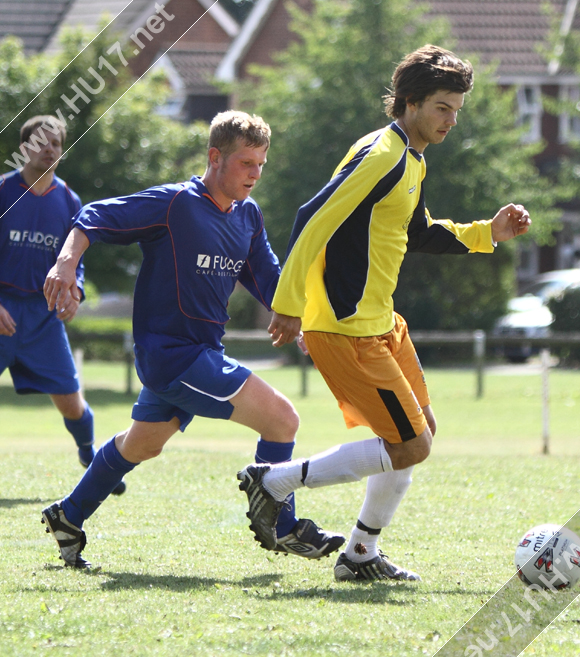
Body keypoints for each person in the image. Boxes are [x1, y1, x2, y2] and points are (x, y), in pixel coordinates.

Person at [237, 45, 531, 581]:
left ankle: (360, 555)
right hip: (346, 327)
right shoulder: (382, 155)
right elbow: (312, 218)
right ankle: (274, 482)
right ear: (411, 102)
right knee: (409, 443)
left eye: (457, 109)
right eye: (443, 107)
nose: (452, 119)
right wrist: (287, 305)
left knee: (418, 435)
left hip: (380, 323)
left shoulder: (410, 158)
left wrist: (489, 232)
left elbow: (414, 231)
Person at [41, 110, 344, 569]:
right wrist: (66, 262)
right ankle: (281, 526)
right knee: (282, 419)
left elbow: (267, 275)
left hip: (200, 353)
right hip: (173, 355)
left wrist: (299, 317)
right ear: (215, 157)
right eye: (246, 163)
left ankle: (69, 514)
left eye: (261, 164)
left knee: (143, 444)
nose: (255, 174)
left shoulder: (248, 215)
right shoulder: (175, 204)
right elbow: (96, 215)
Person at [0, 115, 125, 494]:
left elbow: (75, 260)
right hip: (2, 310)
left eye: (56, 143)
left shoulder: (70, 201)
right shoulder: (3, 192)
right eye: (42, 142)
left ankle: (89, 455)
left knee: (72, 403)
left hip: (42, 316)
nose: (50, 149)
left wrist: (75, 292)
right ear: (25, 148)